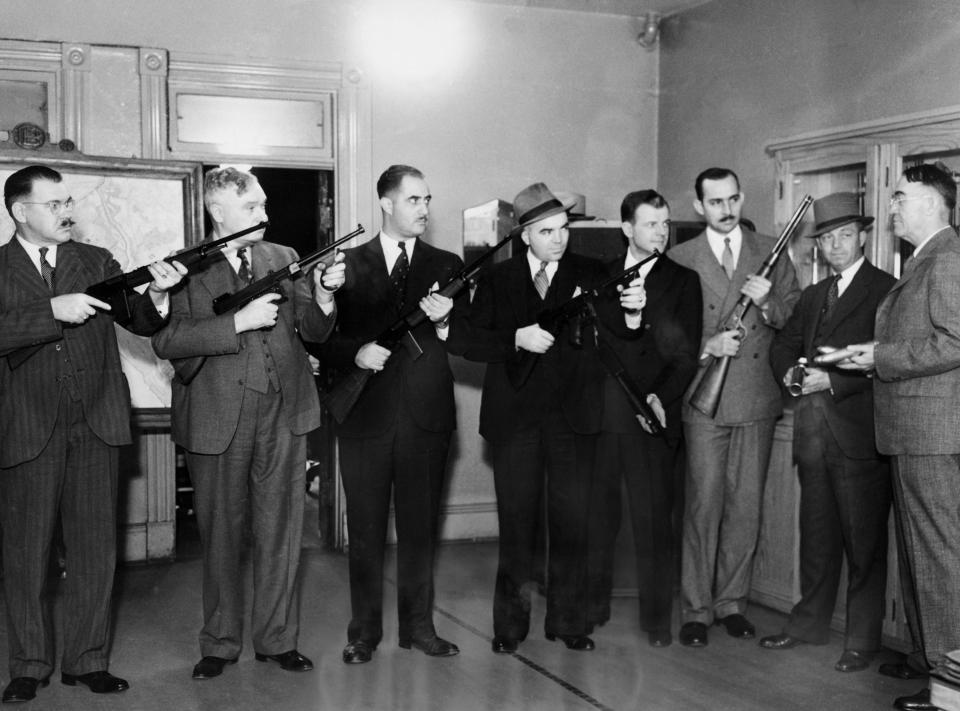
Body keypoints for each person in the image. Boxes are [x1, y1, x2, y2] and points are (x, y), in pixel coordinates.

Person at [0, 165, 185, 702]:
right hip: (27, 428)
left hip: (96, 426)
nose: (67, 212)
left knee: (94, 551)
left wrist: (160, 295)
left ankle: (86, 659)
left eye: (68, 201)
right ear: (20, 211)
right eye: (54, 203)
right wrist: (49, 312)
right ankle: (29, 664)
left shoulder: (96, 261)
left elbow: (142, 322)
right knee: (25, 555)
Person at [152, 167, 344, 680]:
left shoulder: (281, 258)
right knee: (220, 535)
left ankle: (277, 640)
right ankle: (218, 643)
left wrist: (324, 294)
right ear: (218, 212)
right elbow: (167, 342)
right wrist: (235, 322)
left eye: (263, 205)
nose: (265, 215)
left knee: (282, 533)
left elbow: (315, 329)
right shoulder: (183, 269)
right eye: (253, 207)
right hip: (218, 415)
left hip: (284, 412)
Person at [312, 164, 463, 664]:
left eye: (427, 200)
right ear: (386, 202)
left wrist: (446, 325)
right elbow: (318, 339)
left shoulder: (447, 263)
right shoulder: (347, 265)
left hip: (427, 419)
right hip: (364, 417)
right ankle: (364, 633)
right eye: (414, 199)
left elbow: (466, 337)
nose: (424, 209)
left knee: (421, 532)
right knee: (366, 533)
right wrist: (355, 353)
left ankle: (419, 628)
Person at [451, 182, 606, 655]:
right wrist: (515, 338)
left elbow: (613, 341)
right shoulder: (499, 280)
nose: (559, 239)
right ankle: (510, 627)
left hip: (571, 420)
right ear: (524, 237)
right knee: (517, 527)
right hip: (516, 423)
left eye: (563, 229)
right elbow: (466, 340)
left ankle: (569, 622)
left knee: (571, 524)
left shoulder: (592, 273)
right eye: (547, 231)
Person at [833, 163, 960, 711]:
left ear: (933, 203)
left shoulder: (948, 257)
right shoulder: (927, 258)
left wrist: (880, 357)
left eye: (901, 197)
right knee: (921, 556)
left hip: (932, 432)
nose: (892, 207)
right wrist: (872, 358)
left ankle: (950, 686)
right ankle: (928, 661)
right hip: (914, 430)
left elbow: (956, 340)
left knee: (940, 558)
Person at [668, 167, 801, 647]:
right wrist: (709, 344)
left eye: (733, 199)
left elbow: (794, 314)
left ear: (742, 198)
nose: (727, 210)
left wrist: (767, 305)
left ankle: (731, 604)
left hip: (755, 395)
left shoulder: (771, 249)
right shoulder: (680, 257)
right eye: (716, 202)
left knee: (745, 508)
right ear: (699, 206)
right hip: (704, 396)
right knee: (704, 506)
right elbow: (666, 331)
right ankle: (696, 609)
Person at [762, 192, 895, 672]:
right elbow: (784, 344)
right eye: (827, 238)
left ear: (862, 236)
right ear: (818, 246)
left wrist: (833, 380)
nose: (836, 245)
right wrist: (791, 374)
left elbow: (890, 359)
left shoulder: (887, 290)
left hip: (860, 441)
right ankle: (807, 626)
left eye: (844, 235)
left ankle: (861, 642)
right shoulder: (815, 294)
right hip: (812, 436)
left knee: (864, 547)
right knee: (816, 538)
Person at [586, 189, 702, 648]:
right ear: (627, 229)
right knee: (599, 521)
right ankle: (594, 607)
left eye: (664, 223)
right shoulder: (601, 278)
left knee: (654, 522)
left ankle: (657, 621)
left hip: (653, 419)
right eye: (651, 224)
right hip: (605, 419)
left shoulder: (683, 280)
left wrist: (658, 397)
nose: (660, 232)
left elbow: (686, 356)